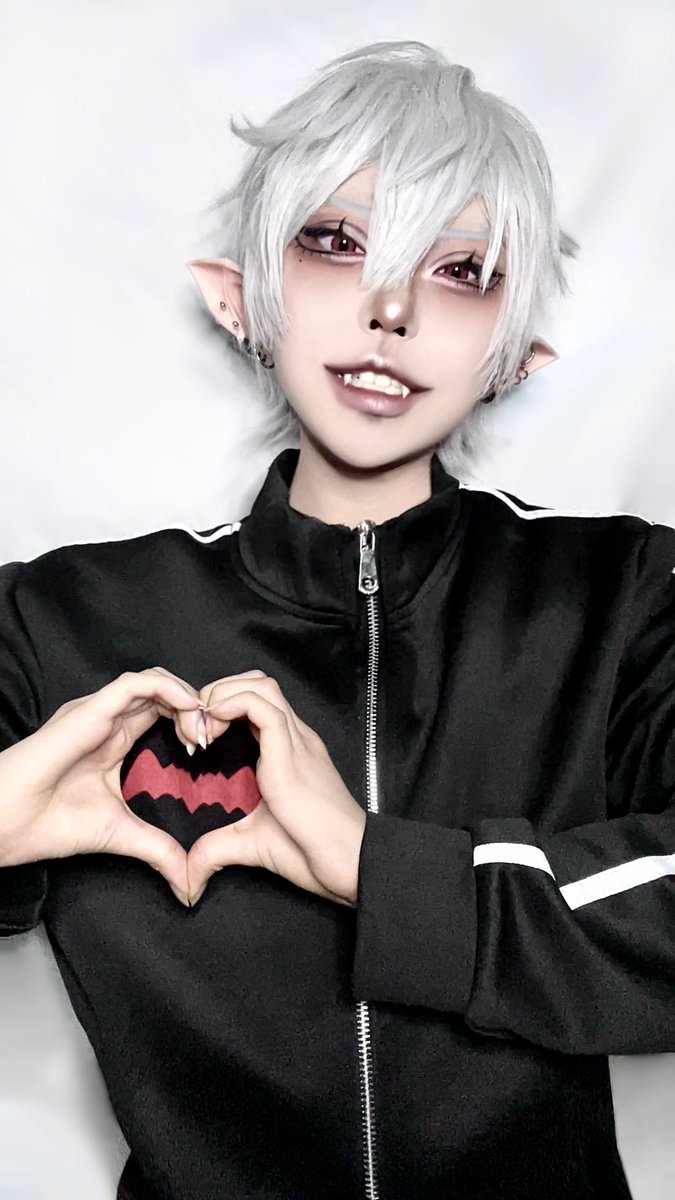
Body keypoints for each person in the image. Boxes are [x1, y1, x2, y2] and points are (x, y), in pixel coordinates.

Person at [1, 37, 673, 1200]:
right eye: (334, 243)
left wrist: (375, 867)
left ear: (517, 357)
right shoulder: (58, 619)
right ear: (238, 297)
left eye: (463, 270)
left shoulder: (623, 596)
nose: (391, 308)